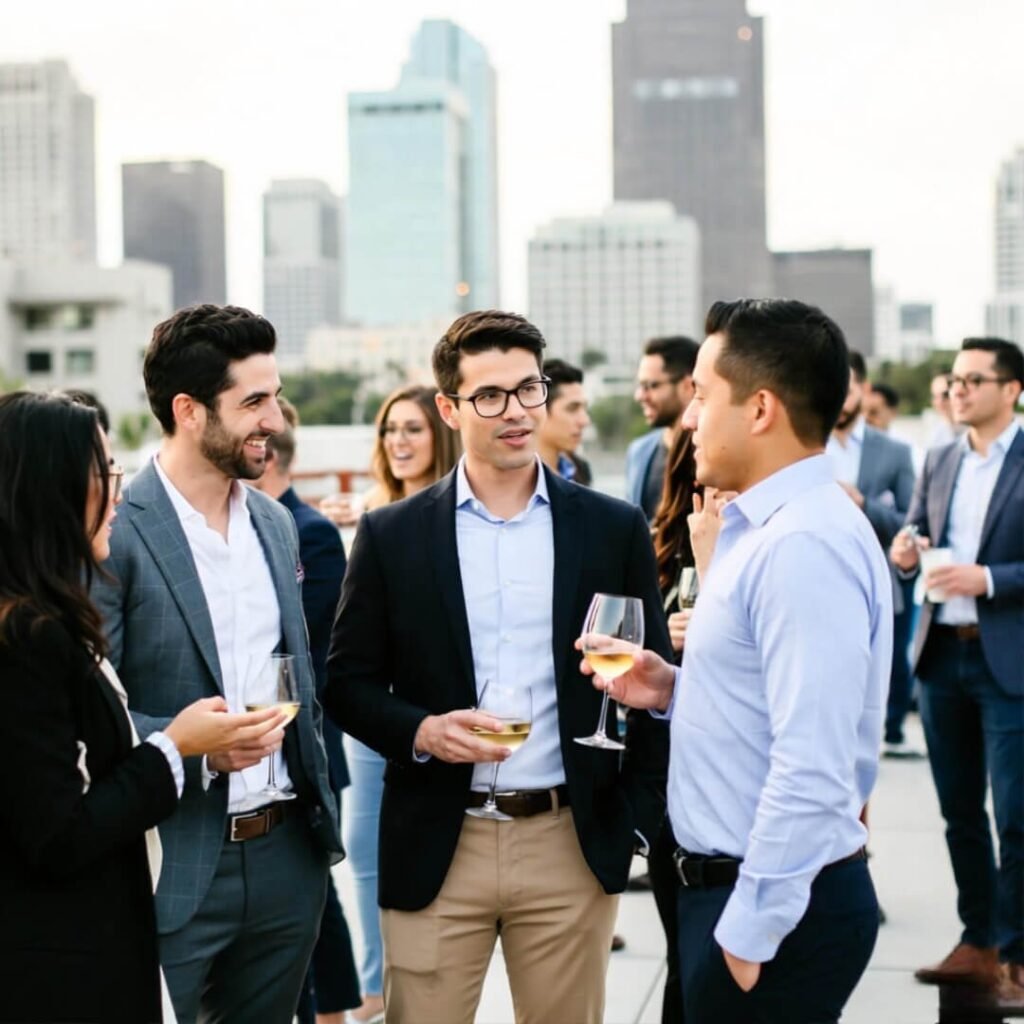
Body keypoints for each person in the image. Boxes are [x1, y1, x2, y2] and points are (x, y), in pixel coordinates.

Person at [324, 310, 671, 1024]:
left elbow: (654, 679)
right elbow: (345, 684)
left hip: (568, 842)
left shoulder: (612, 528)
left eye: (528, 389)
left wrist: (634, 819)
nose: (515, 412)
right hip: (437, 844)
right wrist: (422, 731)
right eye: (490, 396)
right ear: (449, 407)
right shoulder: (392, 534)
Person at [584, 299, 892, 1023]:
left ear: (759, 409)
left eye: (701, 394)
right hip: (729, 899)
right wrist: (672, 690)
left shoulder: (801, 546)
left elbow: (814, 762)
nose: (689, 418)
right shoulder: (766, 528)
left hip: (767, 913)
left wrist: (748, 937)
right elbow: (770, 702)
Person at [91, 304, 343, 1024]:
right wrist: (197, 750)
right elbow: (92, 714)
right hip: (170, 862)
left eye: (277, 395)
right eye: (254, 402)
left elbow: (301, 681)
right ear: (189, 411)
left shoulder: (275, 520)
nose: (277, 419)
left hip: (287, 860)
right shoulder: (117, 532)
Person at [0, 391, 284, 1023]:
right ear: (51, 487)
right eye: (105, 472)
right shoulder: (26, 638)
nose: (119, 492)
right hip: (54, 965)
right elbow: (58, 832)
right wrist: (175, 749)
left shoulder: (44, 618)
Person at [320, 384, 459, 1023]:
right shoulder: (372, 515)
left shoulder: (461, 514)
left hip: (441, 715)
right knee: (362, 850)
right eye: (388, 431)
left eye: (412, 429)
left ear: (441, 433)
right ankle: (376, 988)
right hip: (375, 718)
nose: (398, 442)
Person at [891, 337, 1024, 998]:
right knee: (959, 812)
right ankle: (978, 940)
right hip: (941, 655)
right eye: (955, 378)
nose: (959, 389)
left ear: (1012, 389)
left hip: (1008, 660)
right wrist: (906, 553)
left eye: (975, 379)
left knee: (1019, 813)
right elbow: (915, 531)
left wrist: (990, 579)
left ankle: (1019, 957)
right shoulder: (939, 458)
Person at [254, 398, 361, 1024]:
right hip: (253, 747)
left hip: (304, 742)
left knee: (318, 896)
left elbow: (308, 645)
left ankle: (336, 1014)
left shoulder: (310, 531)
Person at [827, 351, 919, 757]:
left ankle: (890, 731)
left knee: (887, 665)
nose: (839, 399)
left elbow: (910, 523)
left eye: (846, 390)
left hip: (878, 582)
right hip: (821, 583)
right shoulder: (804, 442)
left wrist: (863, 503)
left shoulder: (895, 452)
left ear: (862, 390)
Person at [625, 335, 700, 519]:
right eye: (640, 386)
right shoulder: (639, 452)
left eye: (651, 386)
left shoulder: (713, 452)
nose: (640, 396)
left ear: (687, 386)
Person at [537, 357, 592, 484]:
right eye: (572, 409)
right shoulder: (512, 478)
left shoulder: (580, 471)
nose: (585, 421)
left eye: (584, 409)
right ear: (540, 410)